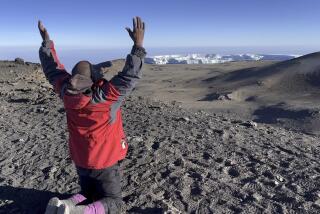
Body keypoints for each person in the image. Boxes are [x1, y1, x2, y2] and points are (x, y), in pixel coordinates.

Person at [39, 17, 146, 214]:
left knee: (87, 191)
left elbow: (52, 70)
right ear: (93, 81)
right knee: (113, 200)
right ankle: (82, 212)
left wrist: (47, 44)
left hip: (81, 158)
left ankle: (66, 206)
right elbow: (130, 76)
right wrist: (138, 45)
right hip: (104, 160)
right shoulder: (107, 97)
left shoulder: (64, 90)